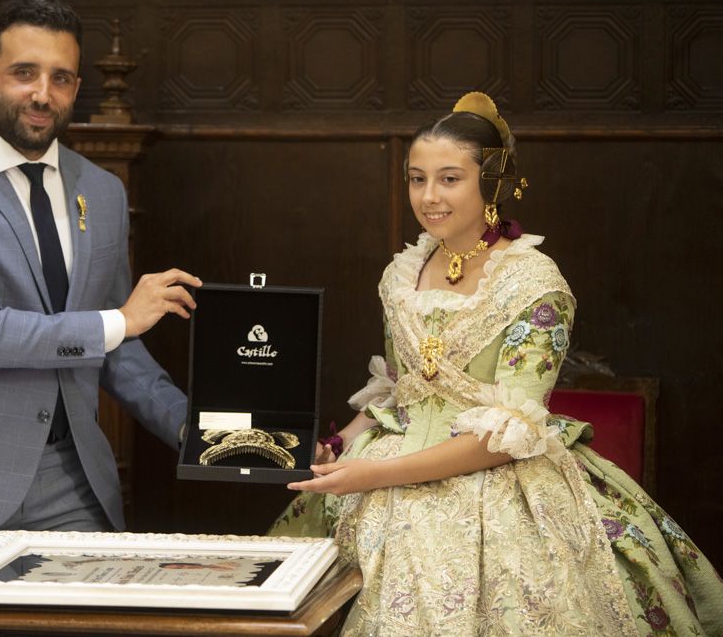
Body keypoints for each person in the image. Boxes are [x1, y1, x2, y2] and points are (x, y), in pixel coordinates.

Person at [271, 92, 723, 635]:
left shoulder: (535, 285)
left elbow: (507, 437)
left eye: (449, 178)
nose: (429, 197)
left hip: (500, 477)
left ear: (492, 182)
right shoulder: (402, 274)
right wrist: (336, 448)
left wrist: (375, 474)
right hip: (381, 464)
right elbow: (398, 391)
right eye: (417, 178)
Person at [0, 0, 201, 550]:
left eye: (62, 77)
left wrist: (208, 435)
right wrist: (119, 321)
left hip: (72, 483)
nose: (42, 94)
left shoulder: (102, 191)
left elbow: (119, 348)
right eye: (23, 73)